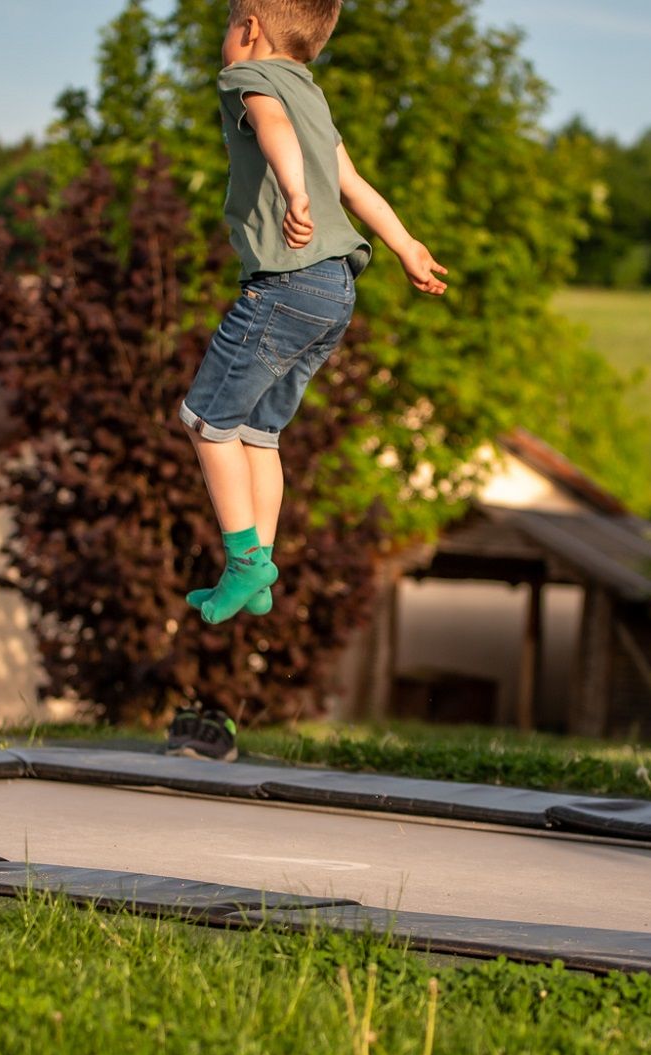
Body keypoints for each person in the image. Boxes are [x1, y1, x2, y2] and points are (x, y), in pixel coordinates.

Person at [179, 0, 448, 628]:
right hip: (335, 290)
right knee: (257, 433)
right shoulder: (313, 95)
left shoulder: (247, 77)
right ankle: (261, 570)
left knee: (205, 421)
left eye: (228, 27)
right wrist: (405, 244)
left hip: (286, 283)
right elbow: (353, 184)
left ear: (249, 29)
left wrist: (295, 192)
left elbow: (271, 126)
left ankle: (244, 563)